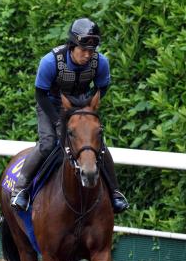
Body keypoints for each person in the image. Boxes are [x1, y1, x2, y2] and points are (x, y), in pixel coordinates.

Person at [11, 17, 129, 213]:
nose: (87, 55)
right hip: (51, 104)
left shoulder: (101, 63)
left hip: (81, 104)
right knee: (48, 143)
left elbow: (102, 88)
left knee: (96, 145)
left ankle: (116, 193)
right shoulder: (50, 61)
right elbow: (40, 94)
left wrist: (88, 107)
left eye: (91, 51)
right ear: (72, 46)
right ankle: (21, 188)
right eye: (83, 50)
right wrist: (58, 120)